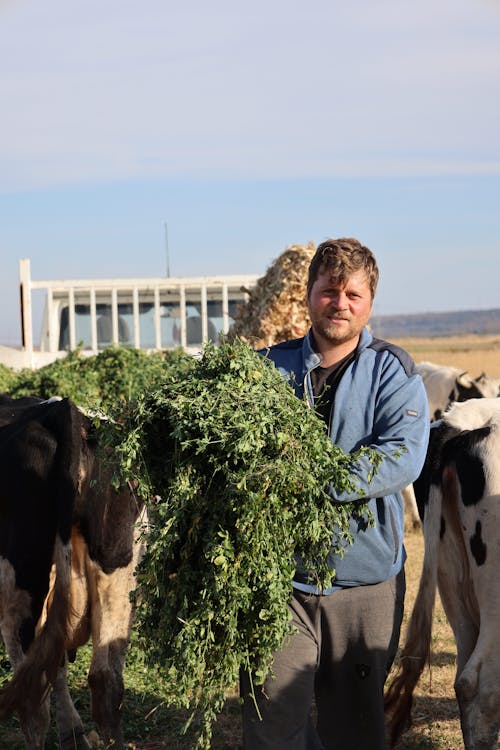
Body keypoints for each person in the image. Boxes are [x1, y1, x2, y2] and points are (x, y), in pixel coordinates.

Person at [240, 237, 430, 750]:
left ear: (369, 302)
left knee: (355, 728)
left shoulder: (393, 372)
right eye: (329, 291)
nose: (340, 303)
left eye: (352, 294)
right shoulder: (265, 371)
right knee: (271, 719)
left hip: (364, 581)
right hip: (280, 581)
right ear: (308, 296)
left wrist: (318, 480)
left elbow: (402, 455)